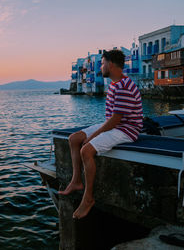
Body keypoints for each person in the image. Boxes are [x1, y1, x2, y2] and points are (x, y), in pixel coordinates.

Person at [58, 49, 143, 219]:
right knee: (73, 139)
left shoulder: (124, 86)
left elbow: (116, 120)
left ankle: (88, 198)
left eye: (103, 63)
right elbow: (111, 119)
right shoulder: (114, 84)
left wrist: (93, 136)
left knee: (86, 150)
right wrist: (95, 133)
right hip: (115, 125)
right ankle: (76, 181)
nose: (101, 67)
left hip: (127, 129)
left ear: (111, 64)